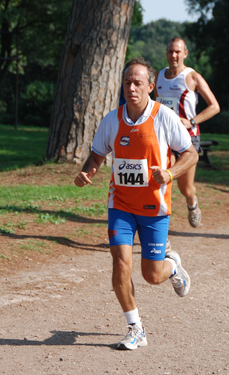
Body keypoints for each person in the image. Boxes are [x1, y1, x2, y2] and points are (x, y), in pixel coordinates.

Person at [74, 58, 198, 350]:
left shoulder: (164, 117)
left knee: (152, 275)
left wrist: (169, 173)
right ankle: (135, 328)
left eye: (138, 82)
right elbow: (96, 155)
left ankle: (173, 266)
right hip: (121, 205)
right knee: (120, 263)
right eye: (128, 82)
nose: (132, 87)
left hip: (155, 209)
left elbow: (190, 154)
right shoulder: (112, 120)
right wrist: (86, 172)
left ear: (151, 87)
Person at [155, 37, 220, 227]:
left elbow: (214, 107)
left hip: (188, 138)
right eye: (170, 51)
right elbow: (157, 107)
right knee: (162, 180)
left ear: (185, 54)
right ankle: (159, 226)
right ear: (166, 53)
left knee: (185, 188)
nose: (173, 55)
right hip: (164, 138)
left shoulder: (192, 77)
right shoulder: (159, 76)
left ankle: (192, 203)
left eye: (177, 51)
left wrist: (190, 121)